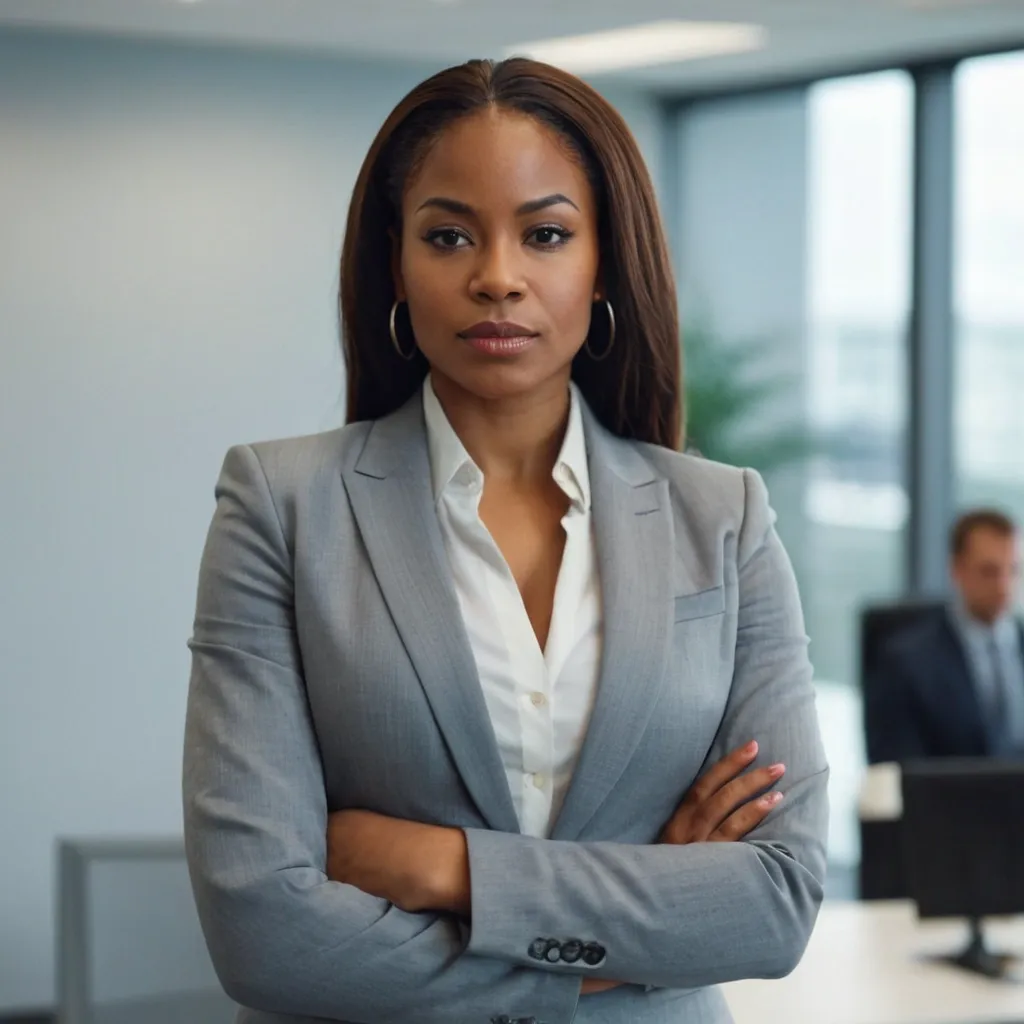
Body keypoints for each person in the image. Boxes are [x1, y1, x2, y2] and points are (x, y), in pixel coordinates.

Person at [182, 58, 829, 1024]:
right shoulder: (282, 506)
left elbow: (773, 905)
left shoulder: (723, 517)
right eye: (448, 236)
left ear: (604, 262)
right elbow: (263, 933)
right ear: (395, 264)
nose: (495, 277)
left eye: (546, 234)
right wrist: (634, 927)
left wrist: (445, 867)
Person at [866, 509, 1024, 764]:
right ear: (957, 569)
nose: (1004, 586)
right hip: (951, 790)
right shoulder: (907, 662)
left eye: (1014, 570)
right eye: (989, 571)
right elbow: (898, 767)